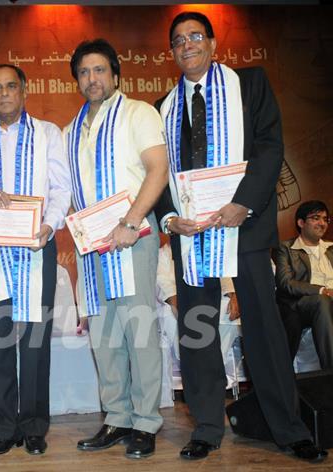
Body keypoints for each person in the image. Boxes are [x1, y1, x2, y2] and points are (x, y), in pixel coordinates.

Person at [156, 11, 327, 462]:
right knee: (197, 332)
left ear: (212, 44)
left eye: (195, 36)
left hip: (244, 227)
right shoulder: (163, 106)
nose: (187, 44)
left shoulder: (248, 84)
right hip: (192, 236)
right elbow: (159, 176)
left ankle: (288, 429)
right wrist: (170, 217)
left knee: (263, 329)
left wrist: (244, 203)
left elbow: (270, 145)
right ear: (171, 52)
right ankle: (207, 426)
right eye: (178, 40)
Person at [63, 39, 169, 460]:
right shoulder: (73, 129)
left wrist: (130, 222)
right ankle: (118, 416)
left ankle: (145, 421)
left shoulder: (138, 113)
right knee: (105, 336)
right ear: (77, 80)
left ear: (116, 74)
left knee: (139, 330)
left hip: (133, 237)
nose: (92, 78)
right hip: (93, 246)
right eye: (85, 72)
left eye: (100, 70)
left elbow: (158, 169)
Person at [0, 64, 71, 456]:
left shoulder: (49, 134)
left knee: (36, 339)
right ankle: (6, 426)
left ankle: (35, 426)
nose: (4, 93)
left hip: (37, 243)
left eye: (11, 86)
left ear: (24, 90)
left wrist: (50, 224)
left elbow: (61, 187)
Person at [274, 200, 333, 369]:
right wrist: (322, 290)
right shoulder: (286, 248)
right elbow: (286, 283)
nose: (322, 223)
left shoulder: (331, 248)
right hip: (302, 304)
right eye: (316, 218)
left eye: (325, 219)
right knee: (322, 301)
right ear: (301, 223)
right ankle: (330, 374)